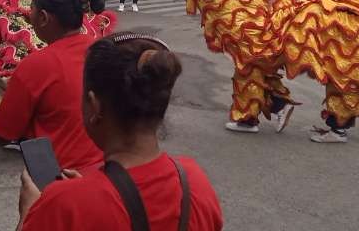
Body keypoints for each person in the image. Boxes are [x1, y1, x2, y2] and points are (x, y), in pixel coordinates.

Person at [16, 32, 224, 230]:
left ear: (94, 106)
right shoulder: (195, 181)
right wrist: (87, 191)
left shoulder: (63, 205)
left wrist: (29, 211)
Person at [0, 0, 104, 170]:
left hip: (61, 178)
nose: (29, 15)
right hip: (110, 174)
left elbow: (0, 134)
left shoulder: (37, 65)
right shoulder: (102, 50)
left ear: (43, 17)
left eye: (32, 9)